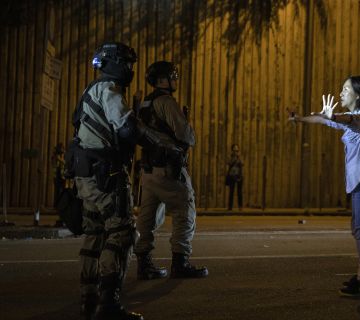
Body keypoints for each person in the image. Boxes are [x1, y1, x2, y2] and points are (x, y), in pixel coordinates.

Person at [71, 42, 178, 320]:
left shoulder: (89, 91)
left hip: (86, 175)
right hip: (107, 175)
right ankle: (109, 305)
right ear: (114, 64)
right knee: (122, 234)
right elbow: (128, 127)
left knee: (94, 235)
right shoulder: (109, 91)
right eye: (127, 64)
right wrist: (160, 146)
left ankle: (88, 300)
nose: (130, 70)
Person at [289, 75, 360, 297]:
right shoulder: (350, 118)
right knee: (359, 229)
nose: (341, 92)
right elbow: (324, 119)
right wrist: (300, 119)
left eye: (345, 89)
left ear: (358, 94)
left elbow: (351, 121)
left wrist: (334, 116)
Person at [134, 61, 208, 280]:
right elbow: (186, 135)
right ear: (160, 80)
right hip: (168, 168)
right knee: (185, 209)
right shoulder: (166, 101)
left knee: (147, 217)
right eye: (172, 75)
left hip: (148, 171)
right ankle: (180, 262)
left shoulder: (146, 103)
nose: (175, 78)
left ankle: (143, 264)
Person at [226, 144, 243, 211]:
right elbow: (229, 163)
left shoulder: (240, 156)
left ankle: (240, 206)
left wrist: (238, 158)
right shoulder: (230, 157)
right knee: (231, 192)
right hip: (232, 175)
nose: (236, 152)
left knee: (239, 192)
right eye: (234, 150)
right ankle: (230, 207)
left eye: (237, 150)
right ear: (232, 150)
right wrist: (234, 158)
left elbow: (242, 163)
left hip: (239, 175)